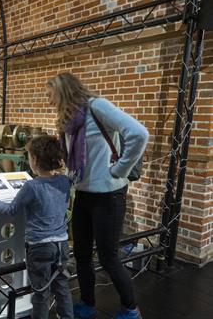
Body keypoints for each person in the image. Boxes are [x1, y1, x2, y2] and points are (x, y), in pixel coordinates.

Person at [46, 72, 148, 319]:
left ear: (65, 92)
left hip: (109, 195)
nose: (49, 102)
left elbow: (139, 134)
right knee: (81, 254)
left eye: (51, 96)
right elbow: (78, 160)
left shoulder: (97, 107)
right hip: (83, 194)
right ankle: (88, 303)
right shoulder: (70, 122)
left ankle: (131, 309)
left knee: (109, 257)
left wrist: (119, 169)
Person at [0, 135, 73, 319]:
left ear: (35, 160)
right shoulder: (64, 181)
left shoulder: (31, 186)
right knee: (62, 287)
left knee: (40, 292)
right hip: (62, 245)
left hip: (40, 247)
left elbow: (11, 209)